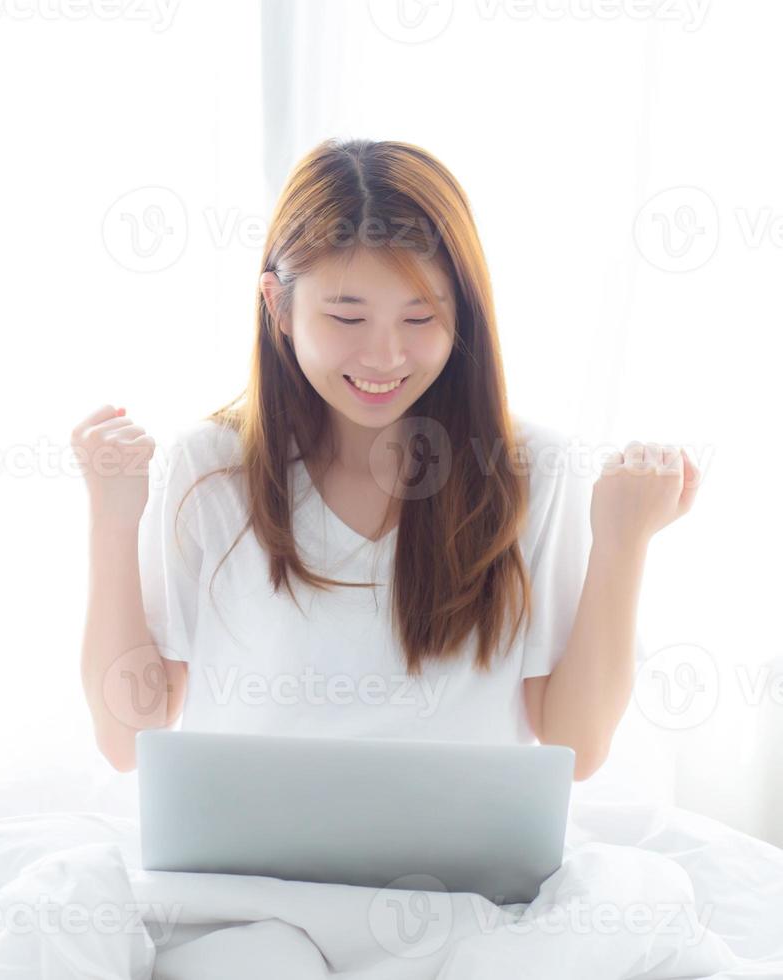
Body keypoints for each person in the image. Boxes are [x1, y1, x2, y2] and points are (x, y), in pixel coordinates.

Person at [73, 138, 699, 780]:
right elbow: (128, 740)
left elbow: (575, 748)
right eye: (347, 318)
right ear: (278, 306)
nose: (385, 356)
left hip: (462, 878)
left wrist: (623, 543)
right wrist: (111, 519)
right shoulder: (209, 467)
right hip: (253, 876)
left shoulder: (526, 467)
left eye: (420, 317)